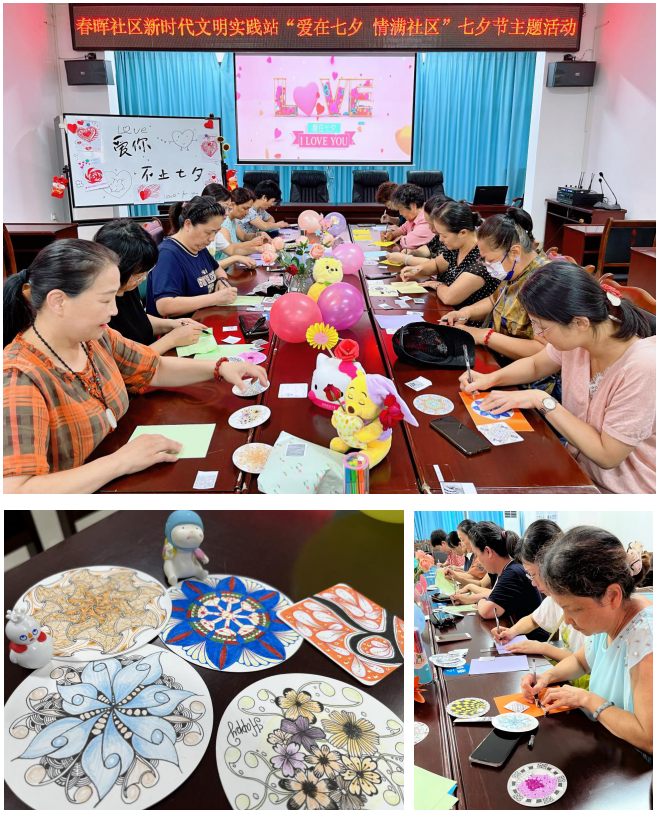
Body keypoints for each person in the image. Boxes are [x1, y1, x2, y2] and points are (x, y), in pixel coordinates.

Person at [3, 240, 268, 493]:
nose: (115, 311)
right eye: (105, 300)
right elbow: (17, 491)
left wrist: (220, 367)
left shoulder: (95, 337)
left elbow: (153, 367)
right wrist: (120, 462)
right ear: (58, 301)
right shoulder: (19, 378)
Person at [460, 262, 656, 493]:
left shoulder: (643, 366)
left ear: (580, 323)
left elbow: (607, 455)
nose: (538, 334)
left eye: (541, 327)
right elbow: (535, 364)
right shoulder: (584, 336)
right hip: (577, 465)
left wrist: (541, 399)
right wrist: (489, 379)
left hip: (623, 489)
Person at [520, 527, 652, 756]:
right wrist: (545, 678)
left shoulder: (646, 637)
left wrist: (585, 698)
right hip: (608, 746)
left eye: (573, 609)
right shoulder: (609, 617)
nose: (568, 620)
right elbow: (581, 662)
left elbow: (649, 737)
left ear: (612, 596)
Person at [441, 209, 551, 363]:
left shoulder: (546, 283)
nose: (487, 266)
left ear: (515, 252)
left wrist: (484, 336)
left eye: (490, 260)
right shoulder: (515, 270)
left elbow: (544, 351)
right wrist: (465, 313)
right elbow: (495, 301)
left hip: (532, 378)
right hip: (501, 361)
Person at [491, 520, 590, 686]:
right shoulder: (555, 598)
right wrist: (512, 632)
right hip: (570, 680)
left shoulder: (589, 604)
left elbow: (586, 662)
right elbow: (533, 619)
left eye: (532, 574)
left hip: (585, 685)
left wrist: (542, 647)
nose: (532, 583)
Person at [95, 219, 208, 353]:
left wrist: (173, 324)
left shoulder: (126, 286)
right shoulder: (99, 309)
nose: (143, 280)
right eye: (138, 275)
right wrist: (171, 340)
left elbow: (137, 320)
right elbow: (128, 364)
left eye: (145, 273)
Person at [146, 197, 239, 319]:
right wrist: (215, 298)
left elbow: (217, 269)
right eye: (207, 232)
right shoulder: (167, 255)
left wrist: (222, 280)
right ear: (188, 224)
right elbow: (165, 306)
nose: (212, 238)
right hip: (180, 331)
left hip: (205, 320)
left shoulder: (198, 247)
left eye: (216, 232)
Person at [400, 201, 499, 313]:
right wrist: (418, 269)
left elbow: (449, 298)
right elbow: (437, 264)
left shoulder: (481, 259)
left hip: (465, 322)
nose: (441, 240)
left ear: (463, 233)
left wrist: (437, 285)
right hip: (446, 311)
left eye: (444, 235)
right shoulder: (456, 247)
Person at [458, 521, 548, 636]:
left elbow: (486, 611)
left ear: (488, 551)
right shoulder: (509, 568)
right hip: (519, 636)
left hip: (531, 640)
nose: (479, 560)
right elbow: (495, 594)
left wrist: (480, 601)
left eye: (477, 555)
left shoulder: (512, 572)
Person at [385, 195, 453, 266]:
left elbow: (437, 265)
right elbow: (429, 248)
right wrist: (413, 252)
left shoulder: (452, 241)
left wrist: (405, 259)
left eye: (432, 224)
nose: (429, 228)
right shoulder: (439, 235)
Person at [201, 183, 263, 259]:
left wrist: (259, 248)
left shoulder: (216, 231)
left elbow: (231, 249)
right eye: (224, 207)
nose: (227, 213)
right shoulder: (218, 226)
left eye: (228, 208)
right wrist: (235, 258)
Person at [382, 184, 434, 250]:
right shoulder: (414, 216)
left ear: (412, 206)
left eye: (401, 209)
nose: (400, 213)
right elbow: (403, 228)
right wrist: (392, 235)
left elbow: (407, 243)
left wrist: (402, 238)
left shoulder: (426, 219)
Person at [444, 519, 487, 584]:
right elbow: (480, 583)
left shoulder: (482, 553)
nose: (461, 544)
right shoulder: (476, 555)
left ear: (472, 537)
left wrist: (449, 573)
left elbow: (474, 577)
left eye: (462, 540)